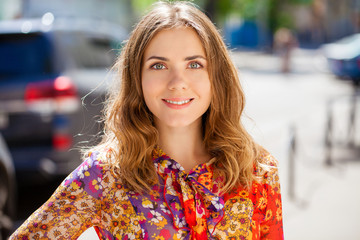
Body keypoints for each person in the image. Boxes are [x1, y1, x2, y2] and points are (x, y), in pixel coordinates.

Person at [10, 1, 284, 239]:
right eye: (159, 65)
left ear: (217, 77)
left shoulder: (257, 171)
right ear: (137, 79)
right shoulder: (104, 175)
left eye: (194, 64)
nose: (178, 83)